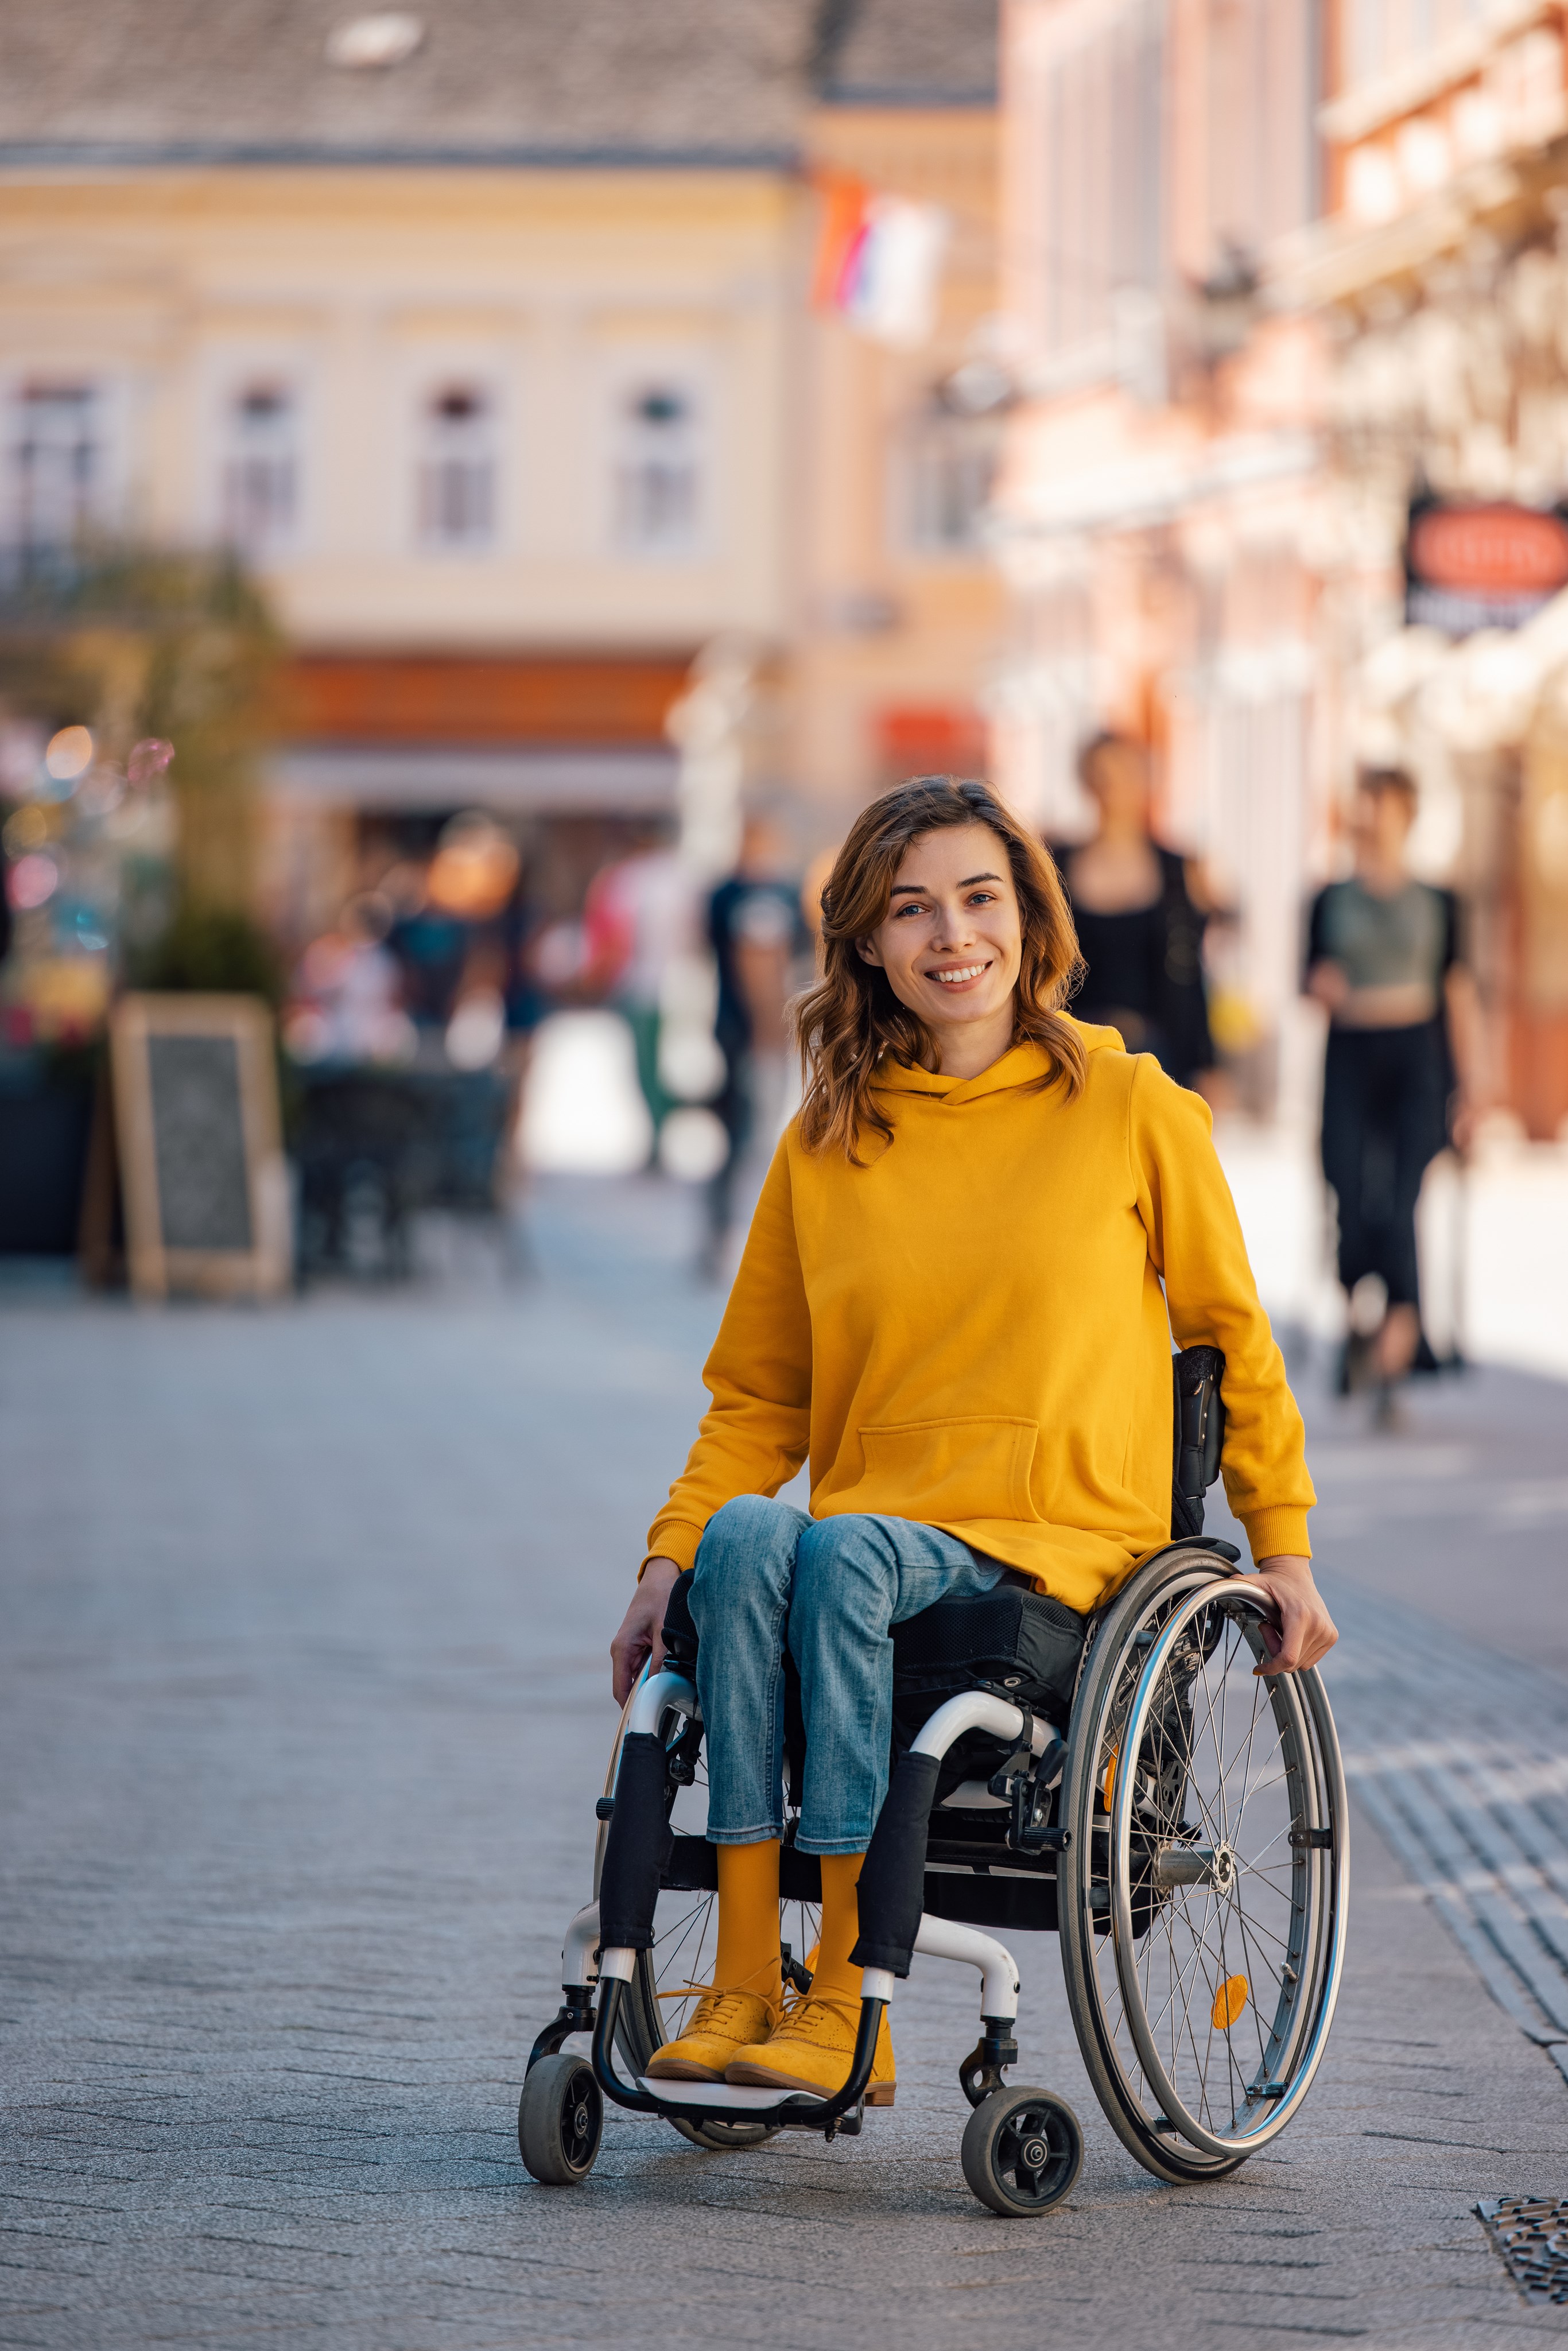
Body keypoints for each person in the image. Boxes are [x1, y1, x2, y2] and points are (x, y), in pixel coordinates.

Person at [610, 774, 1335, 2105]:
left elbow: (1234, 1343)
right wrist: (668, 1559)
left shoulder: (1131, 1109)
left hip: (1053, 1554)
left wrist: (1280, 1548)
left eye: (979, 898)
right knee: (751, 1533)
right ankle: (737, 1979)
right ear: (868, 944)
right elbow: (758, 1399)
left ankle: (843, 1992)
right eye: (913, 909)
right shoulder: (825, 1145)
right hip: (872, 1544)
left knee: (835, 1556)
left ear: (1028, 919)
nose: (953, 935)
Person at [1306, 767, 1479, 1421]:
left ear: (1407, 814)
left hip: (1416, 1055)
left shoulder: (1438, 901)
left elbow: (1458, 994)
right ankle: (1355, 1305)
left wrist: (1469, 1089)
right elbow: (1310, 976)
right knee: (1349, 1193)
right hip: (1350, 1052)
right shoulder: (1328, 898)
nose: (1370, 819)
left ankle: (1393, 1356)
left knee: (1402, 1199)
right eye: (1362, 807)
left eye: (1382, 806)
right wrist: (1318, 983)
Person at [1054, 731, 1214, 1092]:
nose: (1114, 788)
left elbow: (1192, 972)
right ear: (1086, 782)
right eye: (1103, 775)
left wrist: (1207, 1062)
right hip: (1076, 1053)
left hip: (1163, 1055)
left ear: (1146, 780)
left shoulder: (1180, 869)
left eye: (1126, 774)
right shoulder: (1054, 869)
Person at [701, 812, 801, 1279]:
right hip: (748, 1032)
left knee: (750, 1137)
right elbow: (756, 967)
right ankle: (730, 1239)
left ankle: (726, 1237)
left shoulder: (770, 892)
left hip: (749, 1029)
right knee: (748, 1138)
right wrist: (768, 1029)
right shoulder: (748, 897)